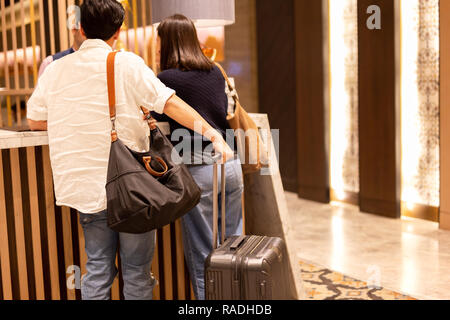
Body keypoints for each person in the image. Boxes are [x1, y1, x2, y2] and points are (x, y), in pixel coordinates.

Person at [26, 0, 233, 300]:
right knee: (136, 272)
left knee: (96, 269)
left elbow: (34, 119)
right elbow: (169, 104)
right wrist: (213, 135)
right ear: (119, 31)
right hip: (132, 186)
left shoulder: (56, 70)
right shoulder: (126, 63)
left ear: (81, 29)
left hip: (86, 189)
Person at [153, 14, 244, 300]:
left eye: (159, 43)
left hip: (199, 168)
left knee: (203, 251)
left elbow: (156, 114)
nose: (156, 49)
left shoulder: (166, 79)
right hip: (230, 165)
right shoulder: (215, 71)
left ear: (168, 43)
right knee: (234, 247)